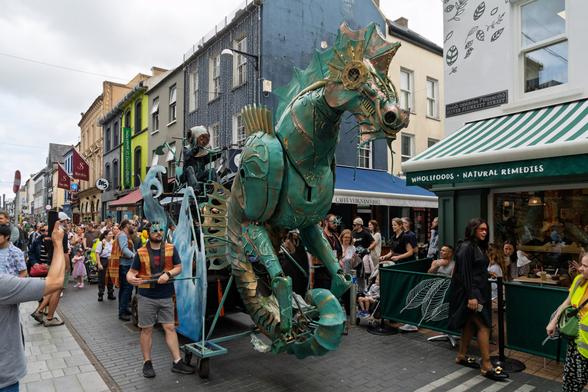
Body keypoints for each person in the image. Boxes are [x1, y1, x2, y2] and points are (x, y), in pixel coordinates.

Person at [0, 223, 66, 391]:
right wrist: (58, 244)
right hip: (4, 377)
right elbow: (55, 282)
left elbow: (22, 272)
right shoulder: (2, 283)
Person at [126, 222, 194, 378]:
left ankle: (177, 362)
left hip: (166, 295)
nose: (158, 232)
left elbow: (178, 267)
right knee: (146, 329)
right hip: (146, 297)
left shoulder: (171, 248)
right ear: (148, 232)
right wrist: (131, 279)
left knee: (169, 327)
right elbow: (131, 272)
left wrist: (168, 275)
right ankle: (147, 363)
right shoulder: (141, 252)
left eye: (160, 230)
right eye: (154, 230)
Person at [448, 218, 508, 381]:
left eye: (485, 230)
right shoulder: (467, 246)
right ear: (473, 229)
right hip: (473, 295)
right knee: (484, 326)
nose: (484, 232)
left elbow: (474, 268)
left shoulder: (475, 247)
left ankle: (461, 355)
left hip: (478, 292)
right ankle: (486, 365)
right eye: (481, 229)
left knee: (469, 324)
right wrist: (471, 297)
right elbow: (464, 273)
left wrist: (485, 273)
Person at [546, 253, 588, 392]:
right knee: (570, 382)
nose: (580, 268)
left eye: (585, 266)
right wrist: (554, 322)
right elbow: (567, 303)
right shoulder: (579, 280)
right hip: (575, 343)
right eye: (581, 264)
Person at [110, 219, 136, 321]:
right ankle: (122, 312)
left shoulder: (123, 235)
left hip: (125, 264)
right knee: (127, 289)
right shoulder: (122, 235)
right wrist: (134, 256)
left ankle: (124, 308)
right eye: (131, 224)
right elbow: (124, 249)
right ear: (126, 225)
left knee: (125, 289)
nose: (133, 226)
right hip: (125, 265)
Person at [183, 125, 220, 192]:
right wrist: (196, 148)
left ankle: (213, 189)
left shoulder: (202, 152)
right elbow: (188, 155)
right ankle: (196, 189)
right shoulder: (186, 149)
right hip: (188, 176)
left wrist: (219, 153)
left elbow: (209, 158)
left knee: (212, 170)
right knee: (189, 169)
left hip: (199, 175)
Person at [351, 217, 375, 290]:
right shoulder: (353, 233)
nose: (353, 226)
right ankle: (354, 289)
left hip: (363, 256)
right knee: (354, 273)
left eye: (354, 225)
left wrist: (367, 249)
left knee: (361, 274)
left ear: (359, 225)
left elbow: (373, 242)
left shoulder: (365, 233)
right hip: (354, 257)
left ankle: (362, 290)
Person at [95, 230, 115, 302]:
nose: (111, 235)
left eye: (112, 234)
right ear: (105, 235)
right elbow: (97, 253)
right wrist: (99, 263)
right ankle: (101, 294)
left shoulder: (114, 242)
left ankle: (110, 294)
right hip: (103, 260)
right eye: (109, 234)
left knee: (111, 278)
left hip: (111, 261)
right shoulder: (101, 243)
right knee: (102, 278)